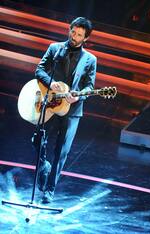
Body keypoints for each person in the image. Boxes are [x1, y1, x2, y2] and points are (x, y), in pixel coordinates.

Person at [35, 17, 96, 203]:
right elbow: (39, 70)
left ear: (86, 38)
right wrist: (51, 83)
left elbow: (89, 86)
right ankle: (44, 165)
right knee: (37, 140)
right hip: (51, 104)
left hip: (72, 111)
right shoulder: (55, 48)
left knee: (61, 151)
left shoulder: (90, 59)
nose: (74, 37)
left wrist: (79, 95)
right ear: (69, 30)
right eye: (73, 32)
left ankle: (50, 190)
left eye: (79, 35)